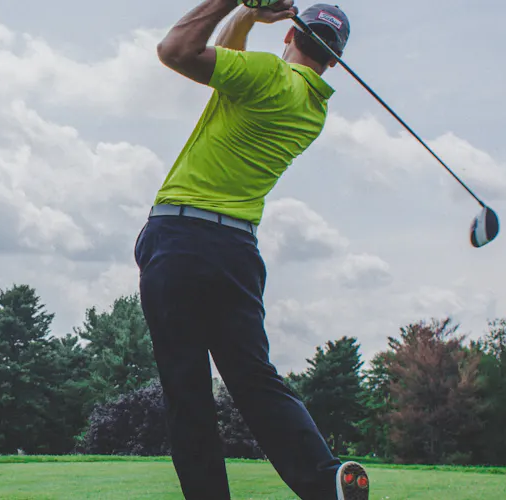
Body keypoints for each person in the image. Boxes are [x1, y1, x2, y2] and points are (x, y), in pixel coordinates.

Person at [134, 0, 369, 499]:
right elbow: (228, 63)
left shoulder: (266, 75)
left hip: (181, 241)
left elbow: (175, 50)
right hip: (237, 252)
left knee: (187, 390)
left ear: (290, 37)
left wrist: (233, 2)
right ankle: (326, 480)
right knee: (255, 380)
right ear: (332, 61)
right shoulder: (311, 108)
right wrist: (246, 15)